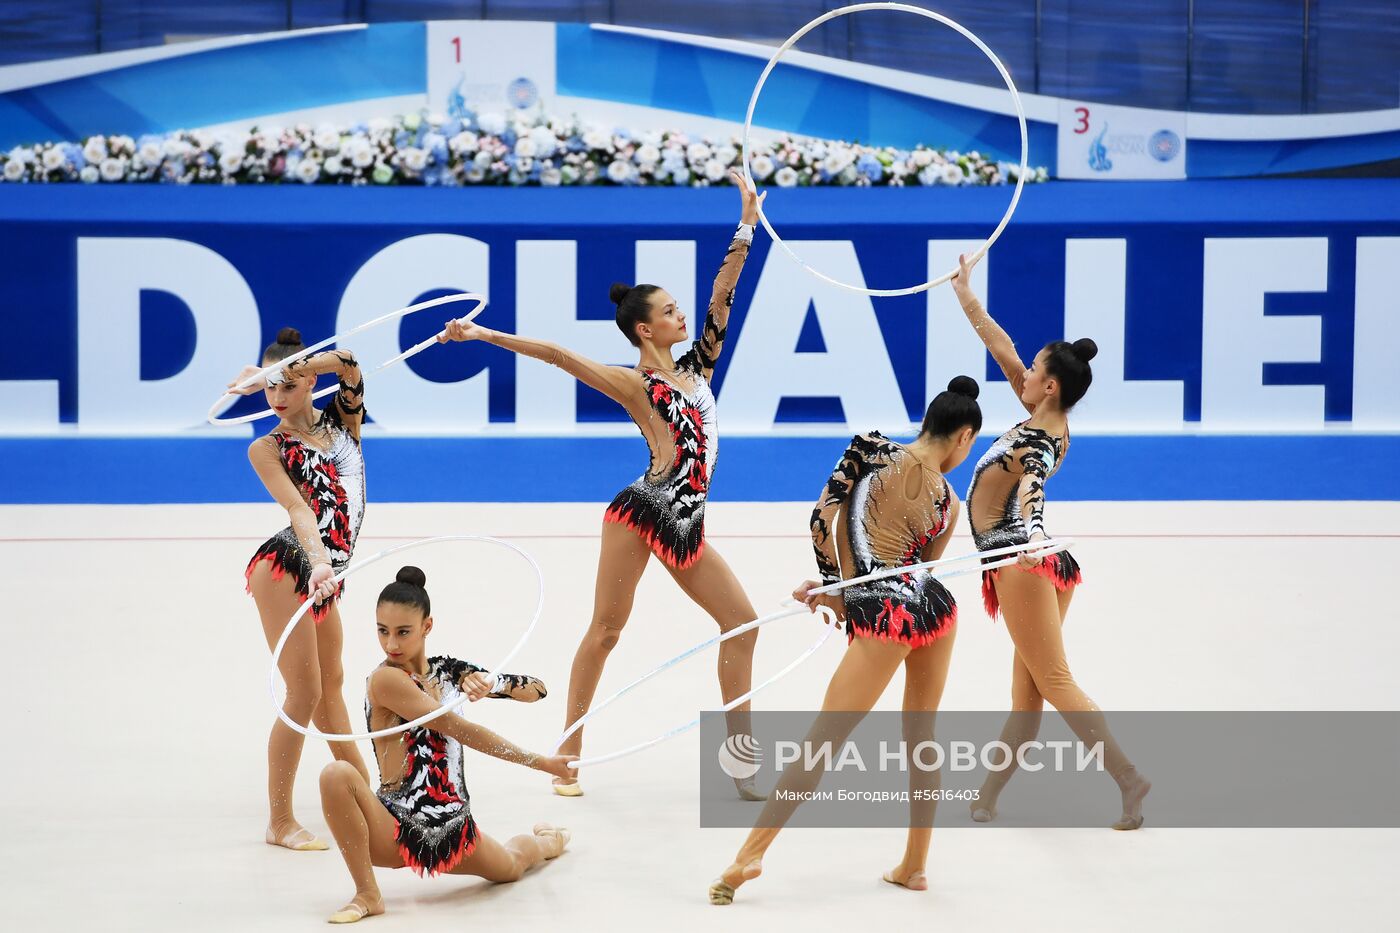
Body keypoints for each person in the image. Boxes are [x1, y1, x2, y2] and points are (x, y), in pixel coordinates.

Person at [437, 170, 767, 799]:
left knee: (743, 623)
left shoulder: (698, 365)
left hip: (686, 521)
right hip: (644, 511)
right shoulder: (637, 383)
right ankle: (567, 757)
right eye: (669, 310)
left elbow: (724, 296)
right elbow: (560, 355)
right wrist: (482, 334)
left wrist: (745, 226)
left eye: (677, 307)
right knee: (607, 630)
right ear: (645, 330)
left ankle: (741, 763)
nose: (681, 314)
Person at [710, 378, 983, 905]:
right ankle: (915, 865)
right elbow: (919, 570)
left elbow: (822, 519)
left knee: (823, 738)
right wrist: (837, 589)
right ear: (963, 436)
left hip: (885, 613)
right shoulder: (949, 500)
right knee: (921, 737)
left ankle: (749, 856)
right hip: (935, 612)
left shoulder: (869, 448)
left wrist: (832, 586)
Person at [951, 252, 1150, 830]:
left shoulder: (1037, 441)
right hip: (1035, 563)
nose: (1023, 374)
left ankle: (1129, 777)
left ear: (1051, 386)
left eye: (1034, 371)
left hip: (1023, 561)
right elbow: (1004, 351)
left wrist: (1034, 533)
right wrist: (968, 299)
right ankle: (987, 797)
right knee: (1031, 693)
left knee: (1054, 681)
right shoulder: (1047, 416)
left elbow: (1032, 492)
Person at [318, 566, 576, 924]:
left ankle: (549, 841)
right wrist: (541, 763)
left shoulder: (449, 671)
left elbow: (538, 690)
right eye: (382, 631)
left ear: (427, 627)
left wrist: (491, 681)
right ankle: (367, 894)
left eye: (403, 632)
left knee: (512, 867)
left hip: (453, 829)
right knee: (336, 774)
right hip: (396, 828)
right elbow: (456, 727)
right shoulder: (386, 680)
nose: (391, 644)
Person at [229, 328, 372, 851]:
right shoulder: (266, 447)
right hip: (290, 566)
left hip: (325, 573)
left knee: (332, 684)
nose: (277, 398)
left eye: (286, 385)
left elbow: (352, 362)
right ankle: (280, 820)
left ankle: (368, 795)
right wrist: (316, 561)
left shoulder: (344, 421)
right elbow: (299, 510)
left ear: (309, 379)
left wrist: (294, 367)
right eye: (268, 389)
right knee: (305, 693)